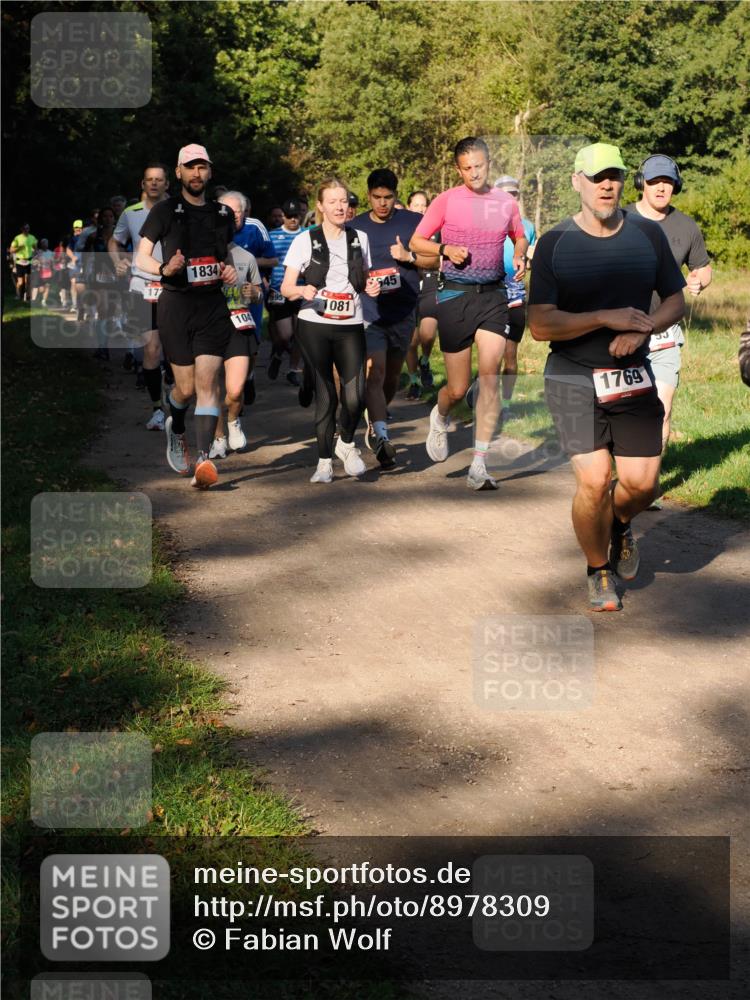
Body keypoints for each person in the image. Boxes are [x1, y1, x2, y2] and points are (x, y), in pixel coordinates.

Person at [528, 142, 686, 612]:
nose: (606, 185)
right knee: (595, 482)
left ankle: (619, 526)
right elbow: (540, 325)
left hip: (632, 373)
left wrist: (643, 332)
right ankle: (598, 569)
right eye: (596, 177)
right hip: (573, 375)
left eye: (614, 175)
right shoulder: (556, 243)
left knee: (641, 485)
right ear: (576, 180)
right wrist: (605, 318)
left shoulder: (647, 237)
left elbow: (675, 301)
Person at [410, 136, 528, 490]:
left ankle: (479, 464)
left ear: (487, 163)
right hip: (454, 296)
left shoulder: (505, 202)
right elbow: (418, 242)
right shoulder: (447, 201)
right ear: (458, 169)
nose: (474, 173)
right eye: (467, 168)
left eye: (479, 165)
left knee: (489, 373)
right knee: (459, 388)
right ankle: (440, 414)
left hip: (493, 294)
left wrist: (520, 254)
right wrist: (445, 248)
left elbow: (519, 236)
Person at [136, 142, 237, 490]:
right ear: (178, 173)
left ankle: (204, 459)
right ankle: (174, 425)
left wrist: (230, 273)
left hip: (211, 306)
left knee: (208, 384)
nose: (197, 173)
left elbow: (227, 259)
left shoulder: (222, 214)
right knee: (185, 388)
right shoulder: (164, 211)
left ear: (209, 171)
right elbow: (141, 258)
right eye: (190, 167)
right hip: (176, 306)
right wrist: (165, 267)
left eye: (202, 167)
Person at [280, 178, 381, 483]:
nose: (340, 207)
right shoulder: (304, 240)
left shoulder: (359, 238)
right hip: (315, 324)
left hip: (351, 323)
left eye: (344, 201)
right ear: (320, 206)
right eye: (333, 202)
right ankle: (324, 461)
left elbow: (363, 279)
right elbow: (286, 288)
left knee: (356, 396)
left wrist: (372, 287)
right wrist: (302, 291)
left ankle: (346, 444)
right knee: (327, 394)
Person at [623, 155, 712, 457]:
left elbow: (702, 266)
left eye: (667, 182)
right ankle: (621, 471)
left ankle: (649, 483)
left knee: (661, 408)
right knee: (623, 409)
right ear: (641, 184)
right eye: (654, 181)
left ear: (676, 185)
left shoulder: (687, 227)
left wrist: (699, 278)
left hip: (664, 332)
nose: (661, 187)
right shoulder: (619, 219)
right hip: (621, 330)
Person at [353, 169, 438, 467]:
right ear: (368, 196)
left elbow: (436, 259)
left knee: (390, 378)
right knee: (373, 374)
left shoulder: (414, 223)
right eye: (377, 197)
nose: (382, 203)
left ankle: (376, 419)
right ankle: (381, 437)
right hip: (370, 313)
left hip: (403, 312)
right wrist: (363, 282)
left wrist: (409, 257)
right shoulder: (356, 227)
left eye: (388, 197)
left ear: (396, 196)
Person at [110, 163, 171, 428]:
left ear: (167, 183)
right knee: (151, 348)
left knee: (176, 349)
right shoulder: (130, 213)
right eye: (150, 180)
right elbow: (115, 241)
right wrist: (117, 261)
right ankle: (157, 408)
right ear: (142, 184)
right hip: (142, 285)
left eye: (159, 179)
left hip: (175, 287)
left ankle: (176, 391)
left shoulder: (178, 209)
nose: (154, 183)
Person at [209, 197, 264, 458]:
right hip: (208, 328)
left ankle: (233, 419)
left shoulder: (246, 257)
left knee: (235, 389)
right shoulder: (200, 258)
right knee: (213, 387)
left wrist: (253, 292)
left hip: (239, 326)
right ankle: (218, 436)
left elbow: (259, 292)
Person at [267, 198, 306, 385]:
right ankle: (277, 353)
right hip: (278, 289)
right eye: (289, 217)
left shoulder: (307, 235)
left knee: (300, 332)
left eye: (296, 216)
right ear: (283, 216)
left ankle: (293, 369)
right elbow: (267, 259)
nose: (293, 220)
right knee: (284, 335)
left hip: (302, 288)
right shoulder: (272, 235)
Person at [404, 190, 438, 397]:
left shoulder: (437, 228)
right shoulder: (404, 228)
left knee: (427, 332)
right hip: (408, 285)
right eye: (416, 205)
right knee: (410, 339)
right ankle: (414, 380)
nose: (420, 208)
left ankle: (425, 361)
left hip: (432, 282)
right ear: (409, 207)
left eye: (423, 204)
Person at [82, 206, 119, 358]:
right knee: (102, 310)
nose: (108, 219)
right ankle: (103, 347)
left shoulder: (121, 236)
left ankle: (105, 343)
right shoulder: (93, 236)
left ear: (114, 219)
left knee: (112, 311)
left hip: (118, 278)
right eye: (105, 216)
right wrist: (85, 273)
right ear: (100, 219)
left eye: (110, 216)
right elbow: (85, 254)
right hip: (99, 278)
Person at [9, 223, 37, 301]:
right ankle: (18, 295)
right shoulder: (17, 238)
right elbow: (11, 250)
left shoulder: (32, 237)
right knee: (21, 282)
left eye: (28, 228)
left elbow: (35, 249)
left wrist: (35, 253)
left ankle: (28, 297)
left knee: (28, 281)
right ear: (22, 229)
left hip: (29, 261)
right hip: (20, 262)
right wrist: (19, 248)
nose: (26, 230)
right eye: (25, 228)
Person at [31, 238, 54, 306]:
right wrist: (36, 262)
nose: (45, 244)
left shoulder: (50, 252)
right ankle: (37, 299)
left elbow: (53, 263)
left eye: (46, 243)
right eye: (43, 243)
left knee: (47, 287)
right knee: (41, 289)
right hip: (39, 273)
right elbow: (33, 261)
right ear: (41, 244)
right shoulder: (38, 252)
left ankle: (43, 301)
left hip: (48, 272)